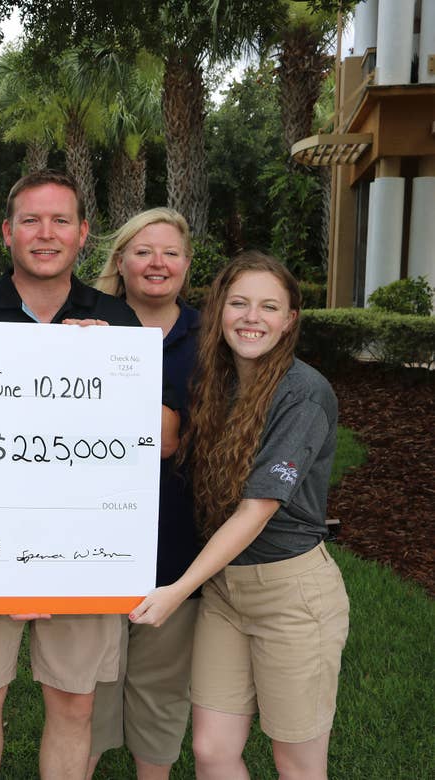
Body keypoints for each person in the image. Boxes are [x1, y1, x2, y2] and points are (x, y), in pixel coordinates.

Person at [0, 169, 140, 780]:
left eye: (59, 221)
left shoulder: (117, 325)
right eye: (30, 220)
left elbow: (141, 443)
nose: (44, 234)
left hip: (80, 546)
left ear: (83, 233)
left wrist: (109, 371)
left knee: (74, 701)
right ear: (7, 232)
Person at [130, 251, 349, 780]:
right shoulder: (218, 382)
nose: (253, 317)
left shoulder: (303, 394)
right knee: (210, 749)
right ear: (219, 310)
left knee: (296, 763)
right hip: (227, 594)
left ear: (290, 319)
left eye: (269, 306)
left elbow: (257, 509)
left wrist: (176, 590)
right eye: (240, 303)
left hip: (292, 595)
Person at [86, 208, 201, 780]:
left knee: (160, 690)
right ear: (121, 261)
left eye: (171, 253)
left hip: (177, 539)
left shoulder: (211, 338)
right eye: (143, 251)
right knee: (84, 690)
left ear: (185, 264)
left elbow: (182, 439)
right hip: (87, 542)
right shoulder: (82, 326)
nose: (158, 263)